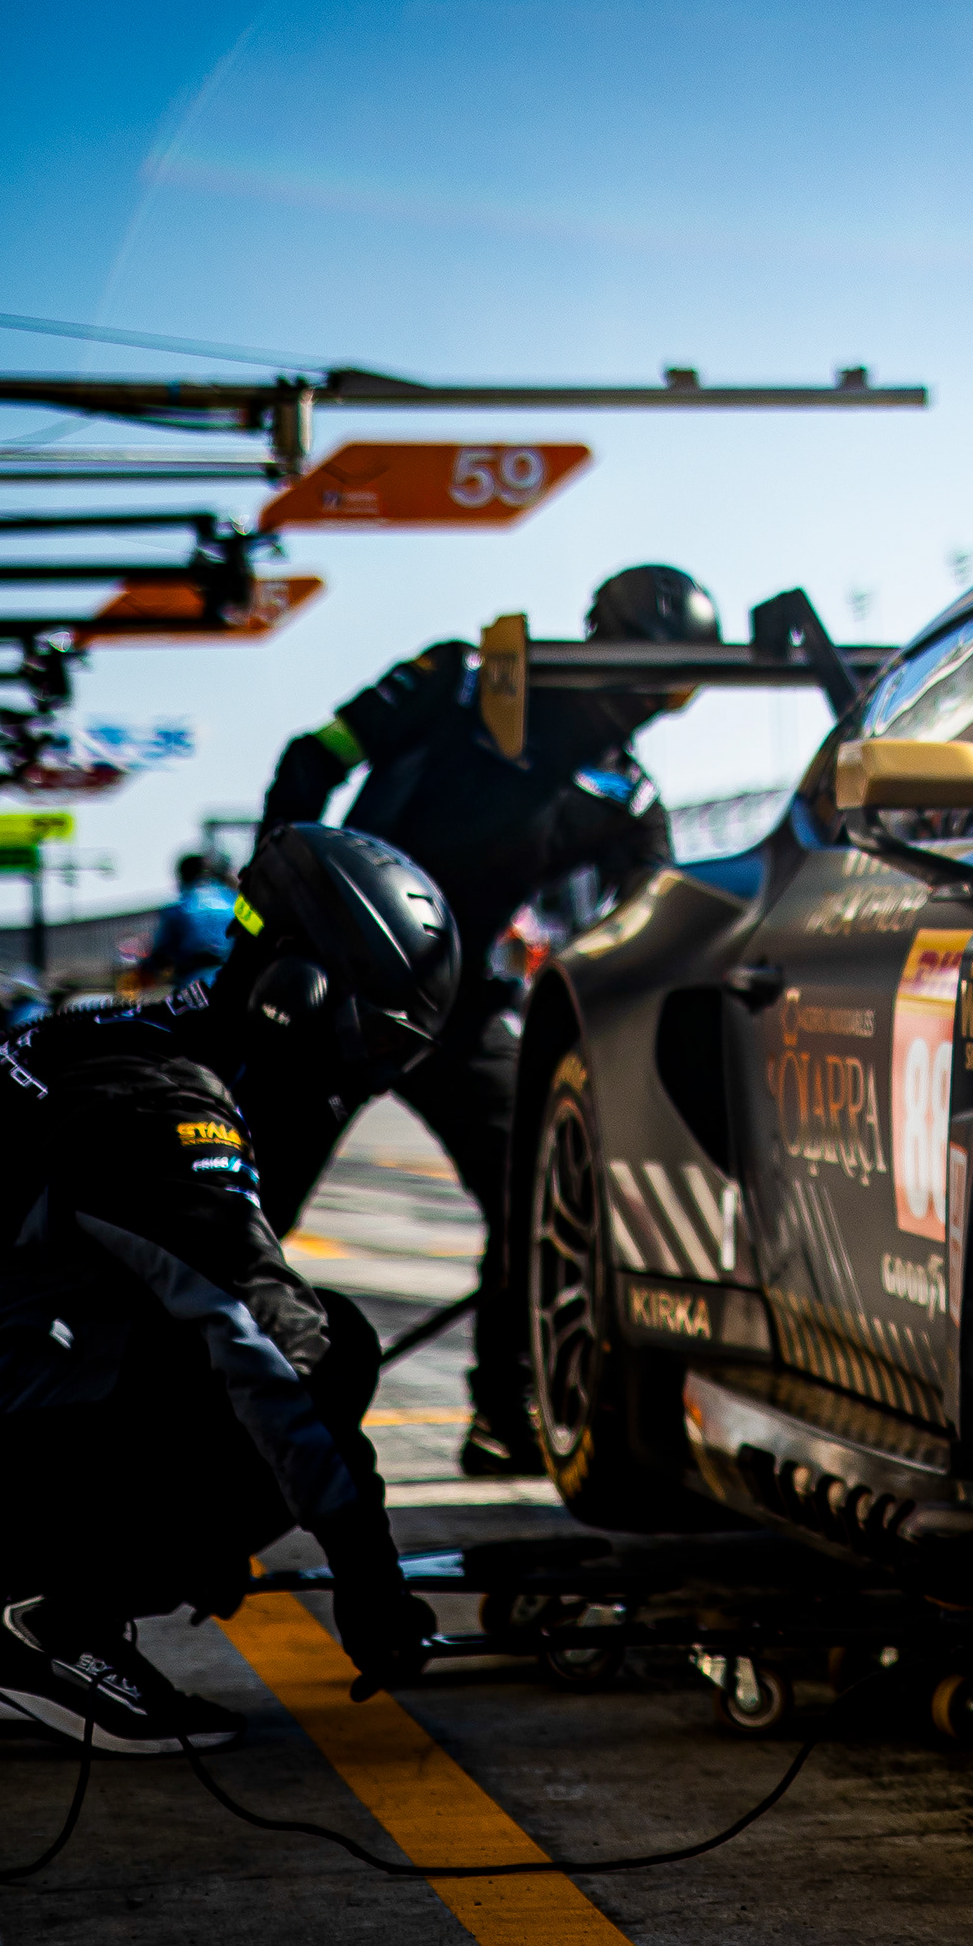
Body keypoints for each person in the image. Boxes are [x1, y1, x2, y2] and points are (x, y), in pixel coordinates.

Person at [0, 825, 454, 1753]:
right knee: (328, 1356)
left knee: (185, 1342)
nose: (373, 1074)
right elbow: (274, 1344)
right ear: (294, 994)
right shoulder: (158, 1103)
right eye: (376, 1038)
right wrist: (368, 1573)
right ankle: (54, 1627)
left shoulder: (112, 1039)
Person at [254, 563, 715, 1475]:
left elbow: (651, 920)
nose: (649, 702)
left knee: (535, 1191)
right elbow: (314, 757)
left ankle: (508, 1407)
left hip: (453, 1011)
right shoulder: (458, 679)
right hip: (329, 982)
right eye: (648, 675)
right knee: (249, 1200)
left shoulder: (627, 796)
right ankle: (189, 1402)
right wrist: (272, 910)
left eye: (671, 688)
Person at [144, 852, 241, 991]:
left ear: (183, 876)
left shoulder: (179, 910)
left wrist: (147, 968)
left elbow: (161, 953)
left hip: (196, 984)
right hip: (238, 978)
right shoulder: (233, 900)